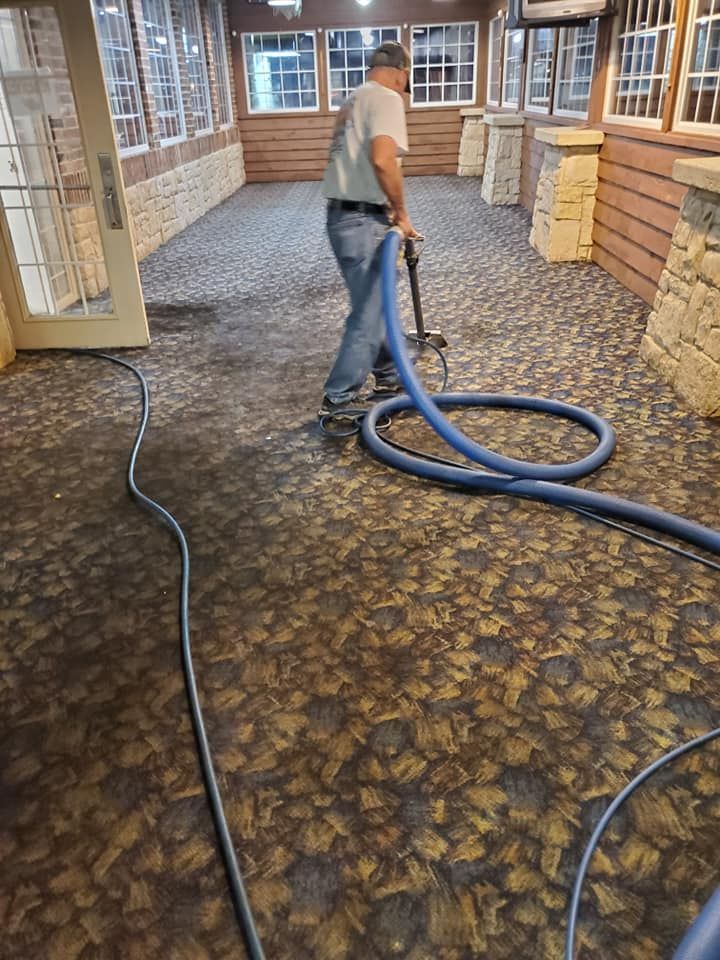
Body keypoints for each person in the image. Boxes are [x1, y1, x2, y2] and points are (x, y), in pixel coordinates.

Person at [319, 40, 419, 419]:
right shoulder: (387, 98)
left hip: (341, 217)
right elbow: (382, 159)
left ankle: (392, 376)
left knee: (375, 304)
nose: (403, 87)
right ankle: (339, 397)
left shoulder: (353, 99)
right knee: (369, 311)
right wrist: (401, 213)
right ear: (399, 73)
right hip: (364, 220)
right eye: (404, 79)